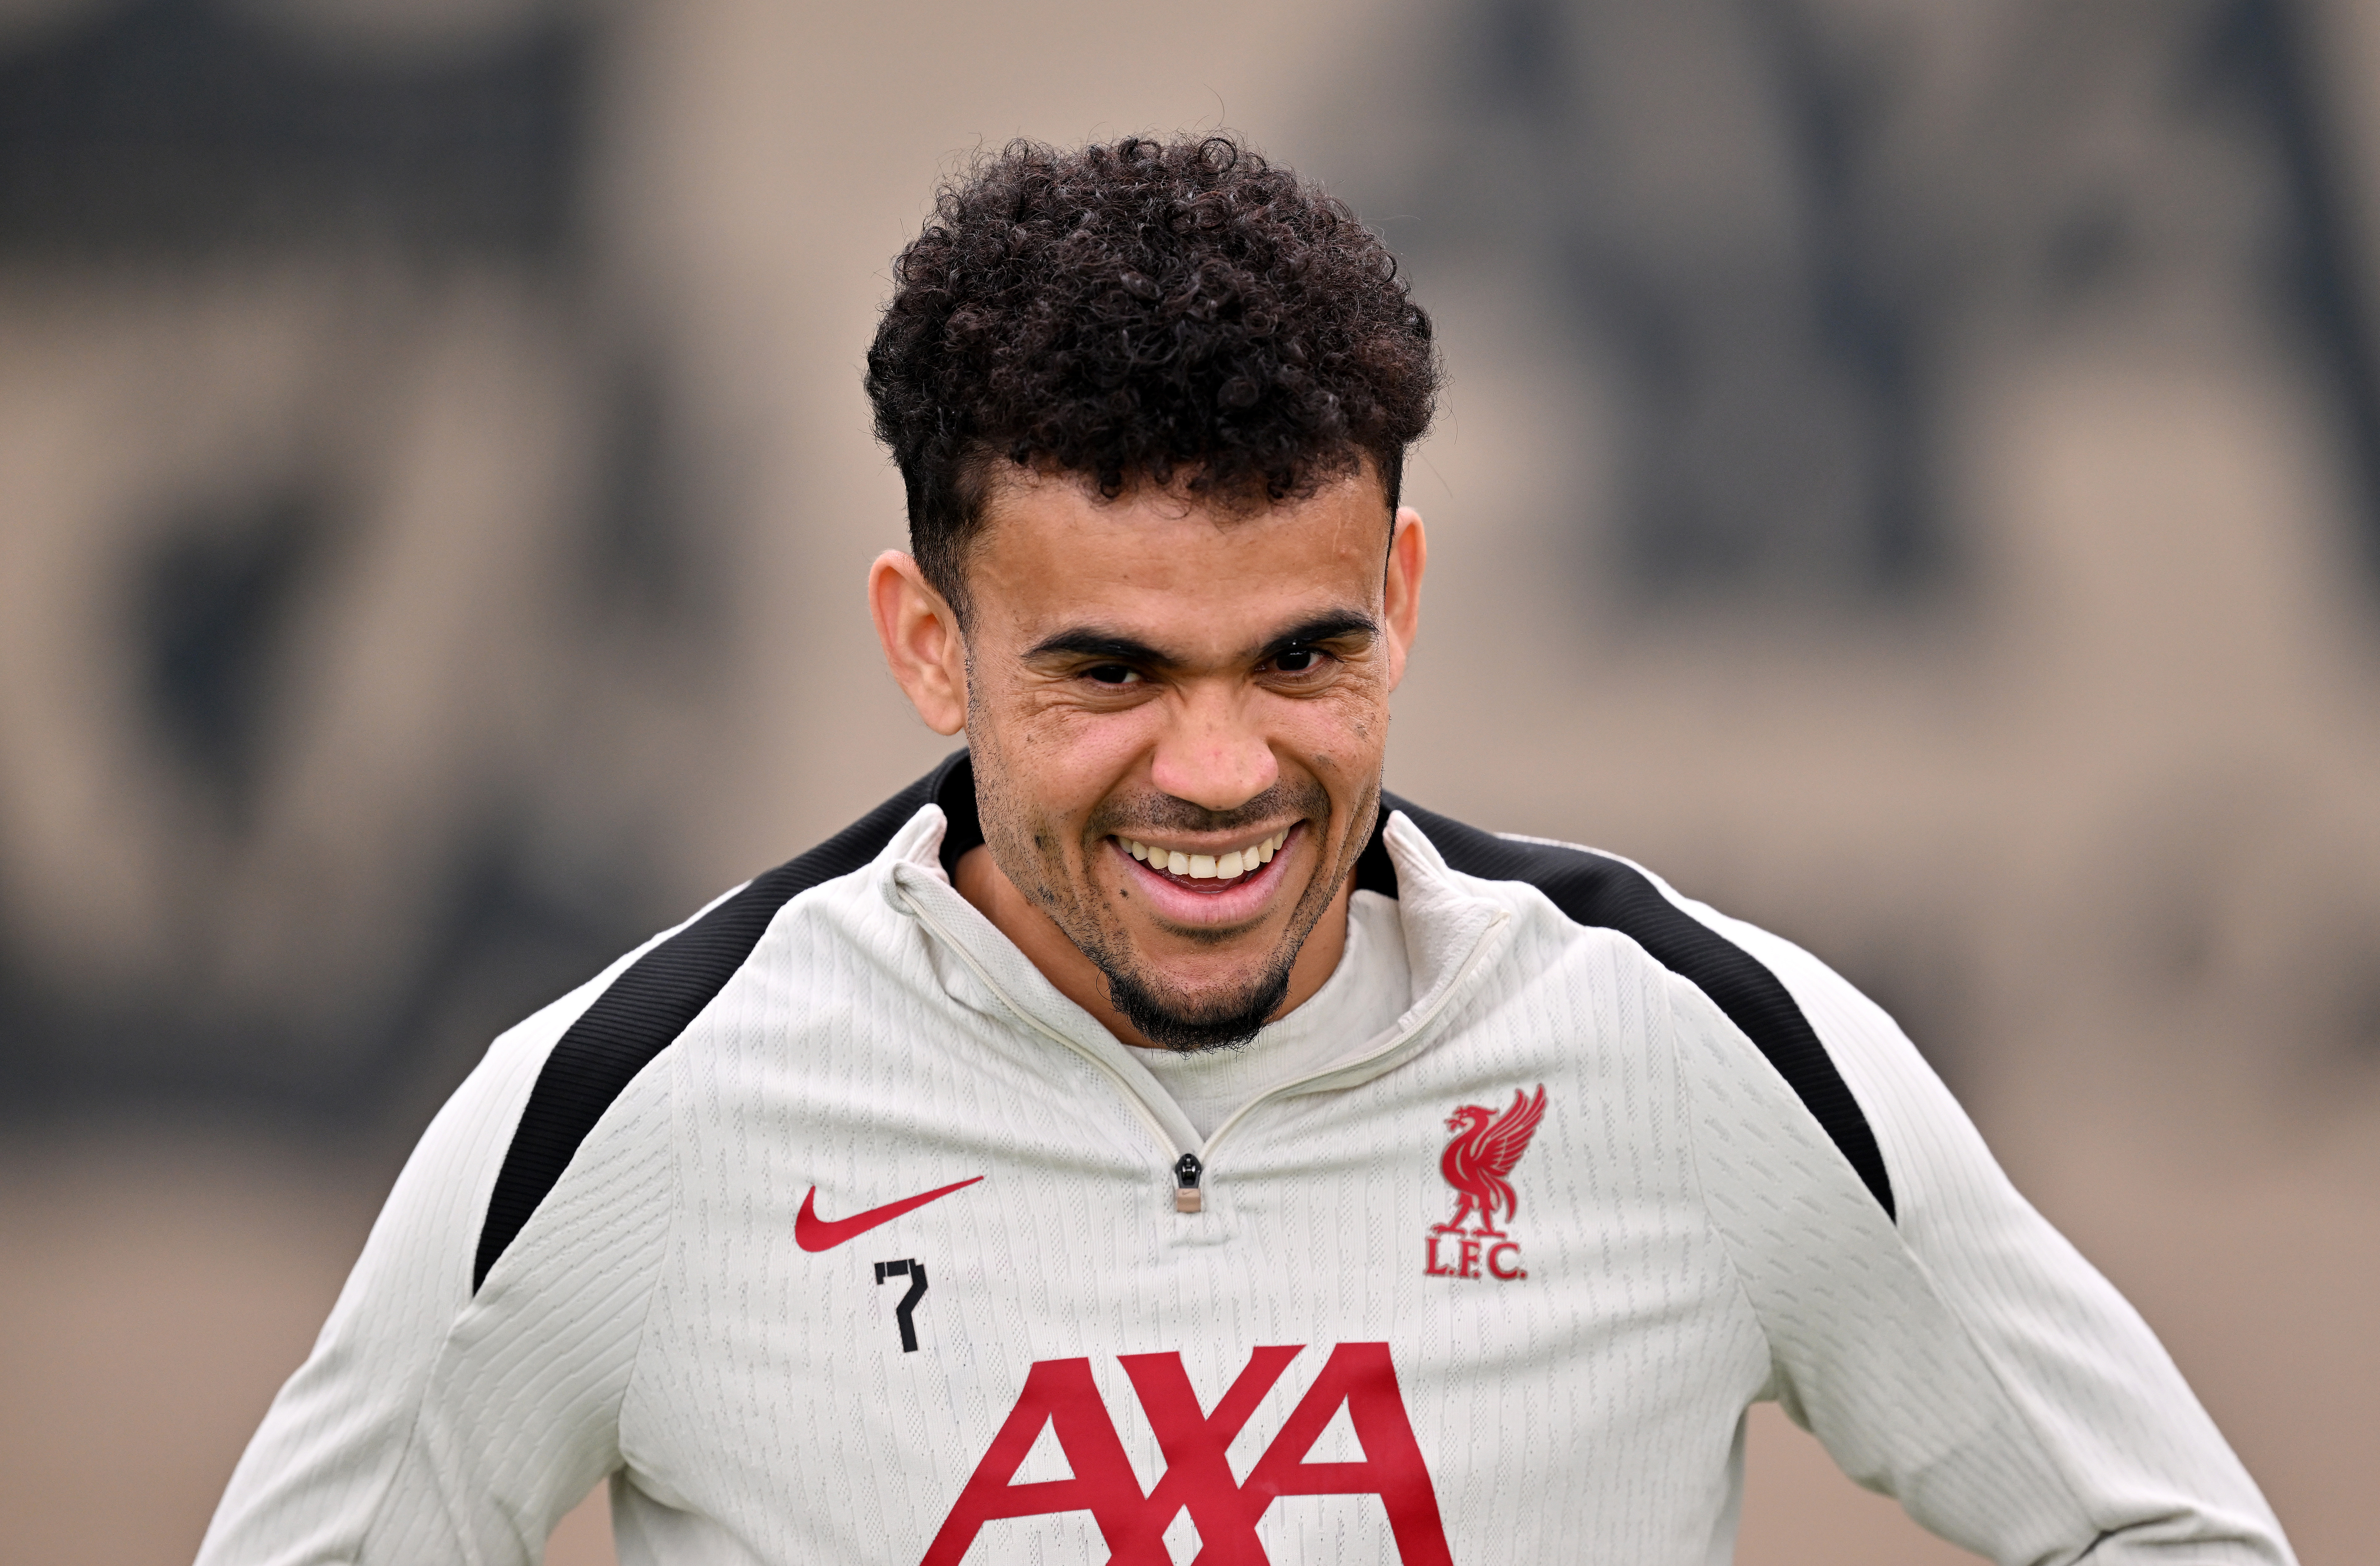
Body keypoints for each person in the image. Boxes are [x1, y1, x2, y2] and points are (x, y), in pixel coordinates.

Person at [197, 134, 2295, 1566]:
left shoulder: (1701, 1052)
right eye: (1109, 670)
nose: (1220, 767)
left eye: (1304, 652)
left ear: (1403, 589)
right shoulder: (626, 1113)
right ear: (928, 641)